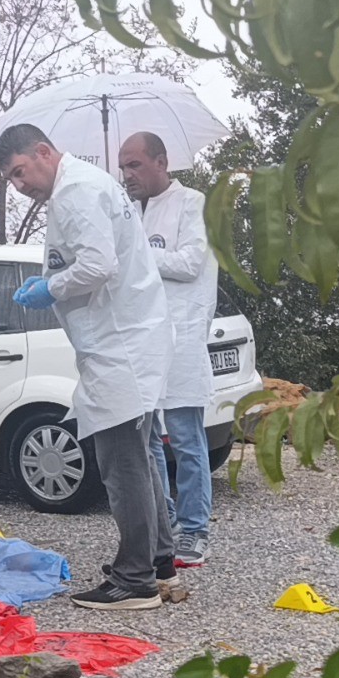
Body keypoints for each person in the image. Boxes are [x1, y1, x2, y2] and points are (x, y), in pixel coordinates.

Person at [0, 124, 187, 610]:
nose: (19, 186)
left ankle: (134, 580)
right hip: (132, 339)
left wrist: (51, 287)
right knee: (141, 457)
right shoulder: (88, 183)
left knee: (122, 464)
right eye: (11, 180)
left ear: (42, 152)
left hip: (121, 346)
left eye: (19, 173)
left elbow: (98, 266)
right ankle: (159, 559)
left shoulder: (76, 191)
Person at [118, 132, 219, 569]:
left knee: (186, 438)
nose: (127, 175)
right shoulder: (132, 213)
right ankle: (166, 524)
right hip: (145, 340)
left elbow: (191, 262)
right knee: (149, 443)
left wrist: (137, 255)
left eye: (135, 165)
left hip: (183, 337)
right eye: (123, 167)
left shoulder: (192, 203)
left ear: (162, 161)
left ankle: (195, 531)